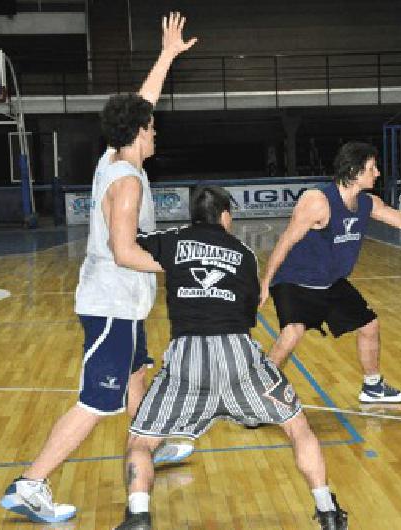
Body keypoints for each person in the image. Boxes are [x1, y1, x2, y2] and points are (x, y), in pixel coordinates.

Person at [0, 13, 197, 524]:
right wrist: (181, 265)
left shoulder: (115, 155)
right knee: (95, 403)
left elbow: (141, 104)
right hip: (111, 304)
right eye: (152, 127)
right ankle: (30, 483)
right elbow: (124, 250)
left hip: (125, 305)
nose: (157, 131)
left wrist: (168, 56)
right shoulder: (127, 182)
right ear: (140, 133)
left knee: (138, 375)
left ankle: (148, 447)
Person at [116, 186, 348, 530]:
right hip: (238, 352)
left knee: (141, 442)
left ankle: (138, 516)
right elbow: (248, 311)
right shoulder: (243, 253)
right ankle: (327, 510)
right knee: (297, 428)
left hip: (187, 357)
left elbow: (127, 246)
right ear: (225, 215)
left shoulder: (173, 240)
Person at [260, 141, 401, 404]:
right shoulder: (317, 201)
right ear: (354, 171)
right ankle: (259, 394)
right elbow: (285, 241)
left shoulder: (366, 203)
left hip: (331, 282)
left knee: (369, 325)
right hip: (296, 281)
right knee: (293, 332)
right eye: (372, 168)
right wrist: (265, 283)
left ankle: (372, 386)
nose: (377, 173)